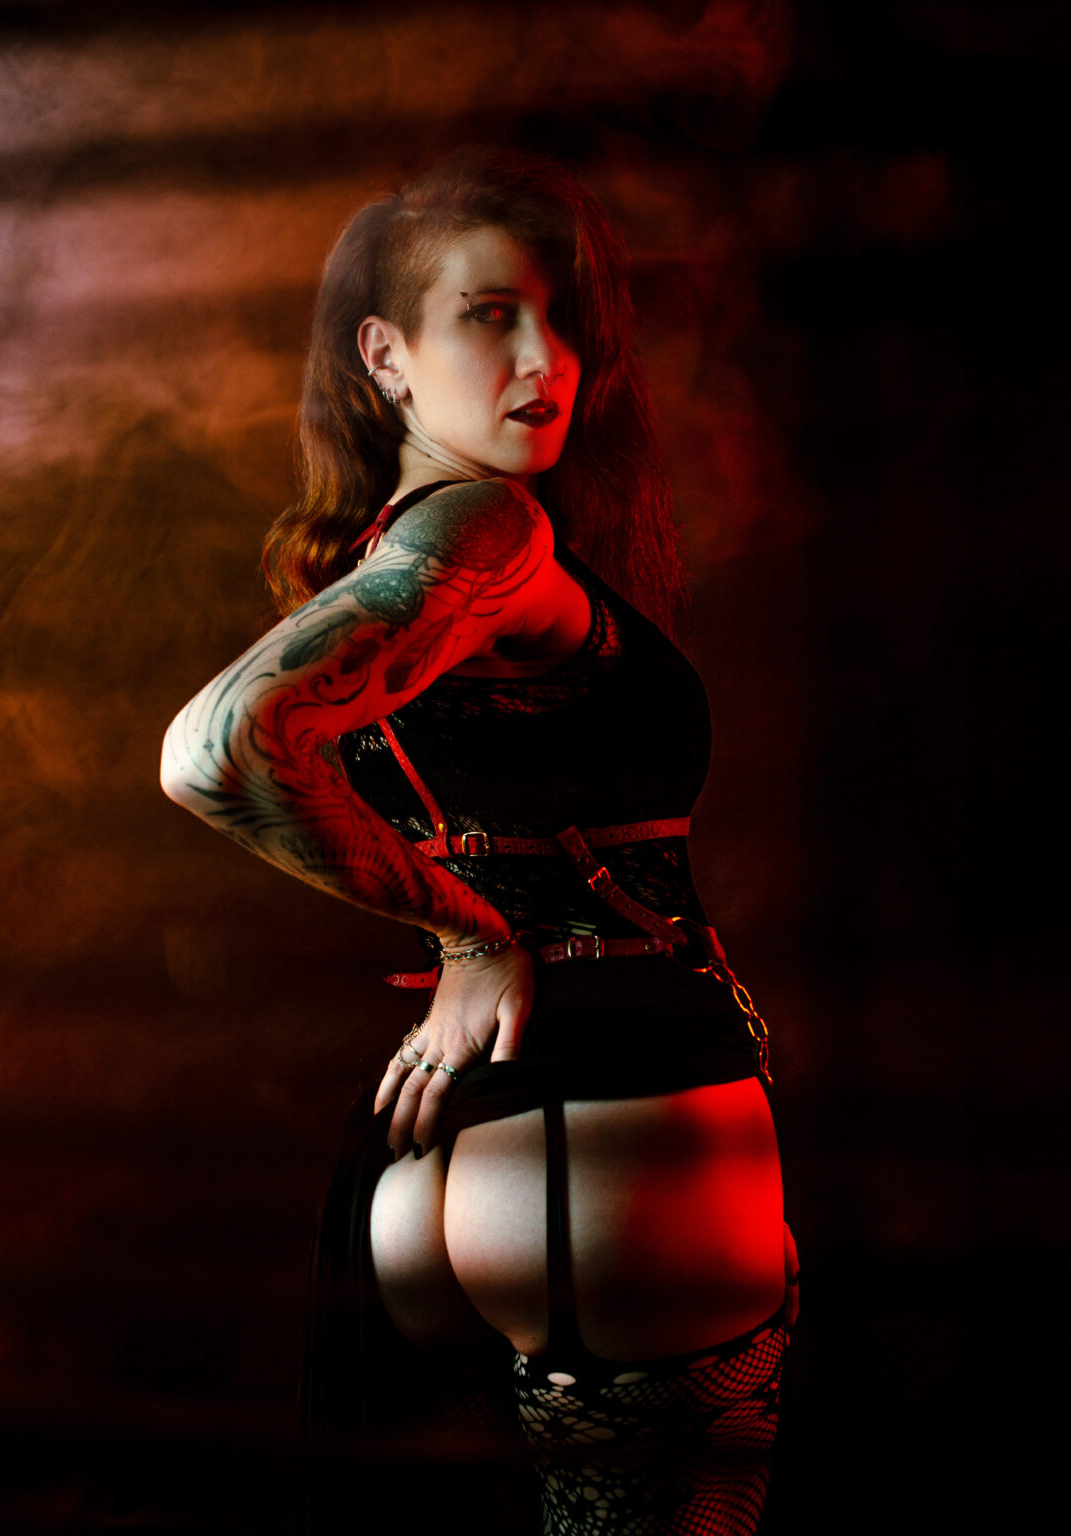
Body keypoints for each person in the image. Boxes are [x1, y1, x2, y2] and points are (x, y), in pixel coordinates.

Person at [161, 146, 799, 1535]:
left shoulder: (395, 551)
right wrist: (467, 930)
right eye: (490, 316)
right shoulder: (488, 529)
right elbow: (219, 748)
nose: (545, 359)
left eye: (564, 321)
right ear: (384, 357)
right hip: (617, 1142)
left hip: (445, 1162)